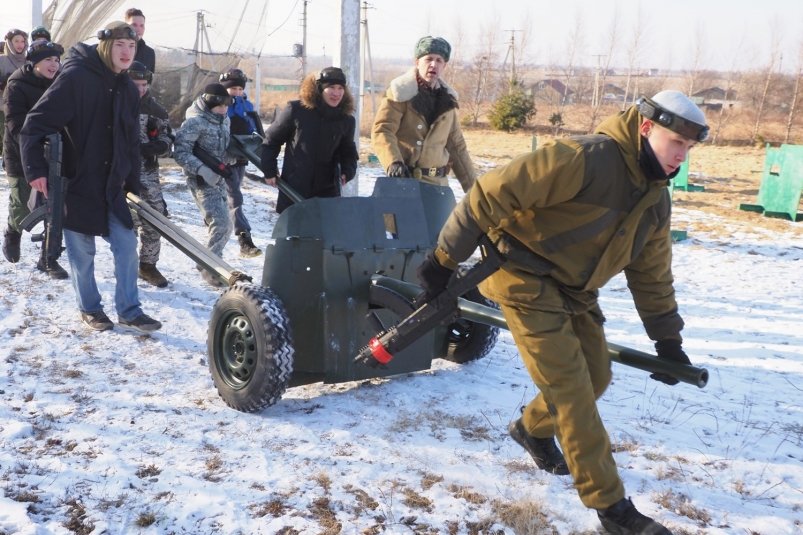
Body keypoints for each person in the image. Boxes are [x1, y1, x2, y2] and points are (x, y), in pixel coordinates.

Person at [414, 90, 708, 534]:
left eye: (688, 149)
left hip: (574, 290)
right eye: (676, 144)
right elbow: (488, 195)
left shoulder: (654, 200)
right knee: (571, 389)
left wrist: (668, 341)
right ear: (647, 129)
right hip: (521, 274)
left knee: (596, 377)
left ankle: (531, 429)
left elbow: (652, 276)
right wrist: (443, 261)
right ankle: (613, 510)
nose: (681, 157)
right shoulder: (585, 159)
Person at [20, 21, 162, 334]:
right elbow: (34, 125)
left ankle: (129, 310)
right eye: (120, 45)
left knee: (126, 244)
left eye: (132, 46)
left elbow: (130, 141)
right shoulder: (76, 77)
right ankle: (91, 308)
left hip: (111, 185)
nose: (126, 52)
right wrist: (36, 172)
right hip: (77, 183)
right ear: (106, 46)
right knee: (82, 253)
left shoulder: (127, 87)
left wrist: (131, 183)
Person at [372, 36, 475, 193]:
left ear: (444, 65)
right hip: (403, 182)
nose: (433, 64)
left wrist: (474, 190)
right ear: (417, 62)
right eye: (429, 59)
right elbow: (383, 130)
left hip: (437, 188)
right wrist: (393, 162)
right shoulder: (400, 94)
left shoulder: (448, 102)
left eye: (439, 60)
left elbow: (457, 147)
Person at [2, 38, 68, 278]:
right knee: (22, 204)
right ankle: (13, 231)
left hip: (55, 152)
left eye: (56, 60)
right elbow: (15, 125)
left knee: (56, 206)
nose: (54, 64)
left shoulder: (61, 82)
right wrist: (36, 144)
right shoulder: (16, 85)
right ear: (35, 62)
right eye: (48, 60)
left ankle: (47, 258)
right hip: (20, 154)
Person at [261, 66, 358, 214]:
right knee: (295, 235)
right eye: (331, 87)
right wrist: (269, 170)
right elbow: (271, 141)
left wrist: (347, 171)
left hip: (327, 192)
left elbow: (348, 152)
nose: (336, 93)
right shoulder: (296, 111)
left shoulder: (346, 120)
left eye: (340, 88)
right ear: (319, 89)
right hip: (294, 188)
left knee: (325, 234)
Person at [173, 82, 233, 287]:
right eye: (219, 105)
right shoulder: (195, 123)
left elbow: (223, 149)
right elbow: (180, 152)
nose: (224, 109)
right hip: (201, 180)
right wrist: (202, 170)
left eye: (227, 105)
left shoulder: (224, 121)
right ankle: (210, 267)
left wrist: (232, 157)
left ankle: (212, 261)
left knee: (226, 226)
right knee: (221, 223)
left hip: (219, 178)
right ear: (209, 103)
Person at [127, 60, 172, 288]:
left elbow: (167, 138)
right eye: (135, 84)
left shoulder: (156, 109)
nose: (141, 89)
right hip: (122, 174)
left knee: (155, 219)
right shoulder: (114, 105)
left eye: (144, 84)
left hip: (148, 173)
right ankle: (126, 265)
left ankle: (148, 265)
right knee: (128, 223)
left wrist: (157, 146)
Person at [219, 67, 263, 257]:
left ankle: (221, 220)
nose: (236, 92)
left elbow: (255, 128)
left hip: (242, 157)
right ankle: (244, 238)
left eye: (239, 89)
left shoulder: (247, 106)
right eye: (232, 89)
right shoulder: (219, 105)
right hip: (224, 158)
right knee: (234, 196)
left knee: (231, 195)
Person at [1, 29, 29, 156]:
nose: (20, 44)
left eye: (22, 41)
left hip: (24, 108)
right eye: (16, 41)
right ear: (9, 42)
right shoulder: (2, 61)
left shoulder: (29, 61)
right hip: (3, 108)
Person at [125, 7, 155, 73]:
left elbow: (149, 80)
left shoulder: (149, 53)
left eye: (141, 25)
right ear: (125, 26)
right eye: (134, 25)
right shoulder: (116, 48)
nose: (138, 29)